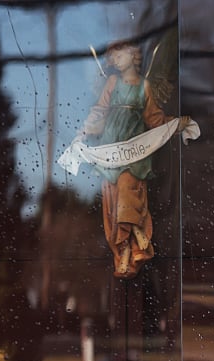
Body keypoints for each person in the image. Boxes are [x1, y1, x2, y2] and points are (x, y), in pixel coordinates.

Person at [78, 41, 171, 278]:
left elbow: (154, 118)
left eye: (119, 55)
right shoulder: (112, 83)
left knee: (128, 188)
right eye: (112, 57)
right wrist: (85, 130)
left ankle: (136, 240)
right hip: (111, 151)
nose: (114, 60)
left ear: (133, 55)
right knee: (112, 202)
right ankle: (128, 247)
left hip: (134, 152)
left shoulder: (144, 86)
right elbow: (100, 110)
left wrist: (175, 125)